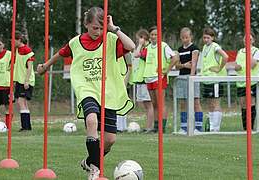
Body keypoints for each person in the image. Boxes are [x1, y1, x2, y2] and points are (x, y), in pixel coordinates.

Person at [37, 7, 135, 180]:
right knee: (91, 120)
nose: (98, 32)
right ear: (86, 24)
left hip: (107, 92)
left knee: (110, 140)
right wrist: (45, 66)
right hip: (87, 89)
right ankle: (95, 170)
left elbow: (131, 46)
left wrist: (114, 29)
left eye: (101, 28)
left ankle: (89, 161)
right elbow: (60, 54)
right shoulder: (76, 42)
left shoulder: (111, 39)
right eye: (94, 28)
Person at [135, 26, 179, 133]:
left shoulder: (163, 46)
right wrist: (140, 45)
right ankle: (155, 127)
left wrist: (166, 70)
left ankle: (161, 127)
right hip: (148, 78)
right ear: (149, 37)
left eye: (156, 34)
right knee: (154, 104)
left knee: (160, 103)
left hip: (159, 78)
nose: (154, 36)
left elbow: (175, 58)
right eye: (152, 35)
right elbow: (137, 55)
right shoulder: (148, 47)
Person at [174, 27, 203, 133]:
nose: (185, 39)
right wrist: (184, 65)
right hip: (182, 78)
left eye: (187, 37)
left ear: (191, 37)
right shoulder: (179, 50)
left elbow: (193, 64)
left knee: (196, 102)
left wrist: (191, 77)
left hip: (192, 78)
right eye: (183, 38)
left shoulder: (194, 48)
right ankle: (184, 127)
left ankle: (198, 127)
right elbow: (176, 66)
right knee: (183, 103)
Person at [201, 27, 228, 132]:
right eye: (204, 38)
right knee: (210, 104)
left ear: (212, 38)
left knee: (216, 103)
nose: (206, 40)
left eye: (208, 38)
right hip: (207, 79)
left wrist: (219, 68)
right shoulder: (204, 47)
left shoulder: (215, 46)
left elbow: (225, 56)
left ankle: (216, 128)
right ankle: (211, 126)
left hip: (215, 80)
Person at [233, 33, 259, 130]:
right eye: (245, 39)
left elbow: (252, 64)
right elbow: (236, 66)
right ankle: (245, 127)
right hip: (241, 82)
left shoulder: (255, 51)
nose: (247, 41)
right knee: (243, 104)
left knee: (251, 103)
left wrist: (248, 52)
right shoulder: (240, 51)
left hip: (251, 82)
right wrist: (237, 67)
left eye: (249, 39)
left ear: (253, 40)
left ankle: (251, 127)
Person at [132, 29, 154, 133]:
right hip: (140, 80)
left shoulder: (147, 48)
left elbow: (136, 54)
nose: (137, 41)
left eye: (139, 39)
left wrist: (140, 45)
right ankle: (148, 125)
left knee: (149, 104)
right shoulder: (144, 48)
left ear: (143, 38)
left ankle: (149, 127)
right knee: (144, 104)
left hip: (146, 79)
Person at [14, 31, 35, 131]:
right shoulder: (17, 50)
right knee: (23, 103)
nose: (12, 42)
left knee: (21, 102)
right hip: (19, 80)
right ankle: (27, 127)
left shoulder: (27, 50)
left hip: (26, 81)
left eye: (14, 40)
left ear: (19, 40)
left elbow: (29, 68)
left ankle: (25, 127)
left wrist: (26, 81)